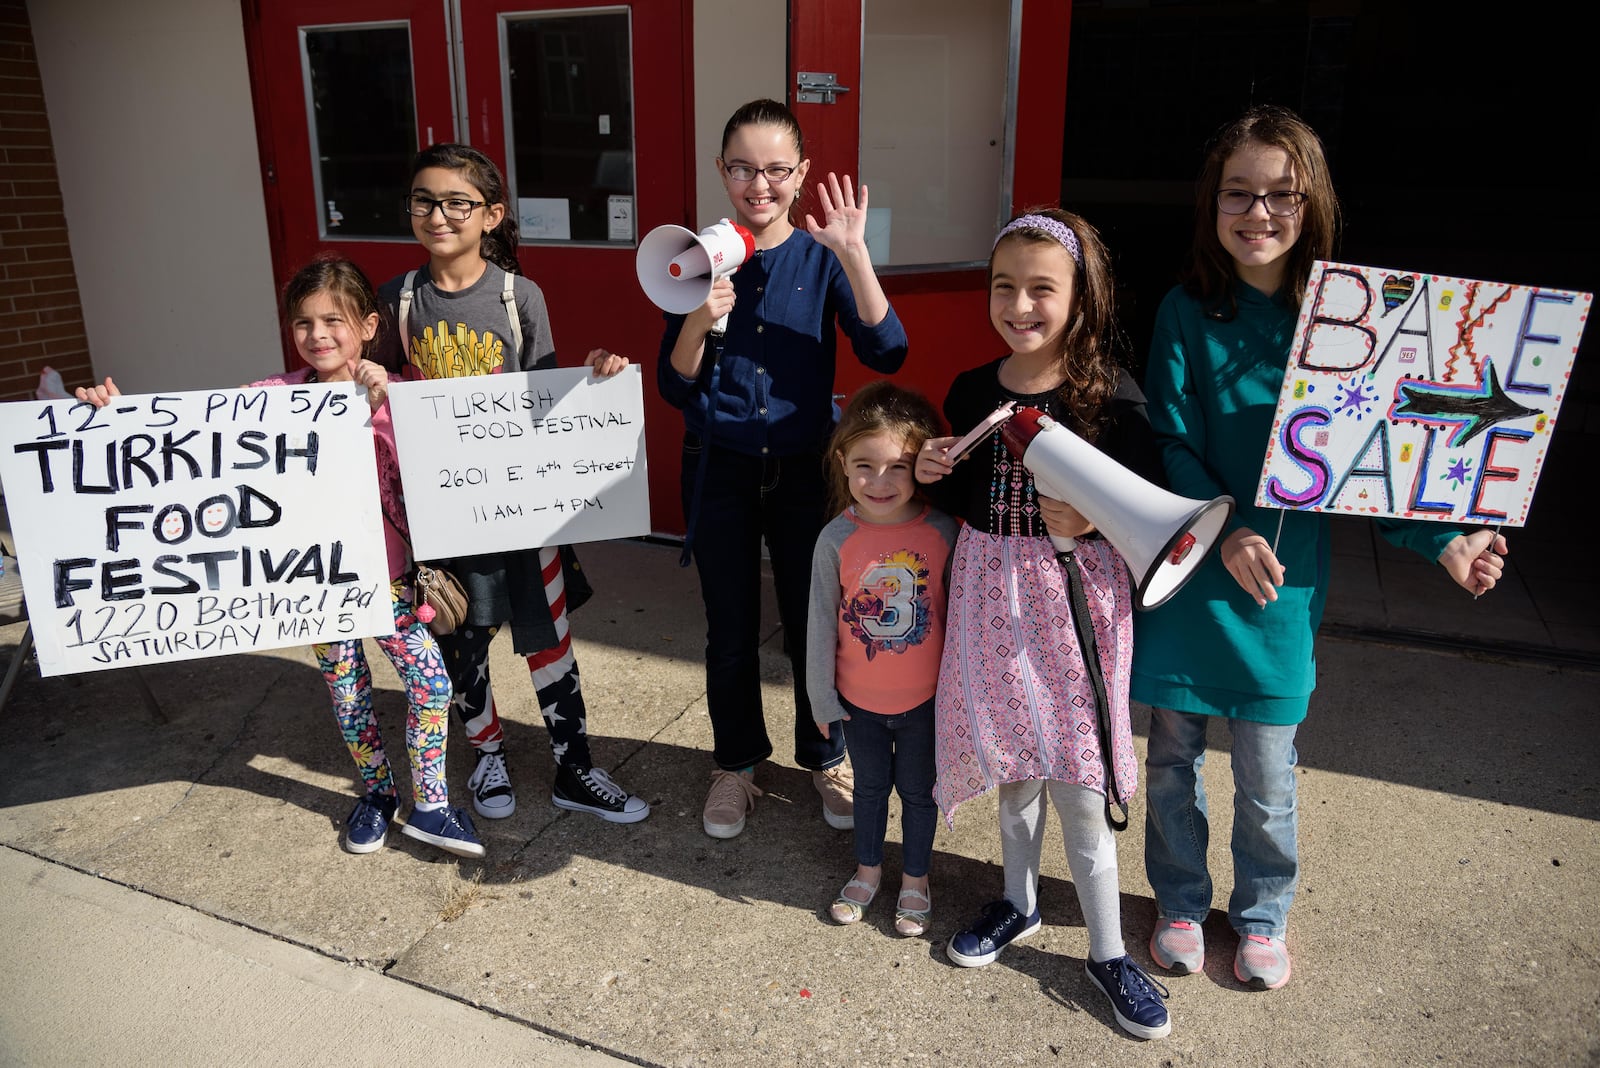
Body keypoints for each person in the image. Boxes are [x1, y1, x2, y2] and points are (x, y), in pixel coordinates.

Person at [1132, 104, 1509, 992]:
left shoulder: (1349, 322)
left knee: (1269, 779)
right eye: (1238, 194)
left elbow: (1374, 459)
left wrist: (1445, 542)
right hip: (1194, 575)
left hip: (1280, 596)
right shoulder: (1185, 311)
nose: (1258, 214)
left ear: (1313, 206)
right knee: (1172, 762)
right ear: (1210, 204)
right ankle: (1181, 902)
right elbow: (1170, 442)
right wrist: (1225, 527)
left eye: (1281, 196)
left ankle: (1262, 916)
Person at [75, 257, 486, 859]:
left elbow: (439, 471)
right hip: (310, 586)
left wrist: (381, 406)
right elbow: (187, 438)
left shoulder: (398, 395)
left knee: (429, 685)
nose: (317, 335)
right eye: (303, 323)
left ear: (368, 325)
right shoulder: (268, 400)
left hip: (389, 578)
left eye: (333, 320)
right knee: (348, 693)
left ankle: (431, 805)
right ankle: (377, 794)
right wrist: (109, 416)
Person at [914, 208, 1172, 1041]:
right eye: (1004, 287)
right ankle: (1018, 905)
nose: (1019, 304)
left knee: (1079, 786)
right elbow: (961, 497)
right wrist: (930, 467)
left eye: (1041, 290)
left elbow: (1147, 511)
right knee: (1015, 769)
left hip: (1073, 609)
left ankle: (1105, 952)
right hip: (990, 599)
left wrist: (1091, 520)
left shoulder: (1112, 401)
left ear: (1079, 299)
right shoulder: (969, 390)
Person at [656, 98, 909, 839]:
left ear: (800, 174)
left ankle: (823, 755)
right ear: (721, 171)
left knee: (815, 624)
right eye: (741, 168)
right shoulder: (697, 257)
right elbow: (676, 385)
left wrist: (855, 252)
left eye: (774, 169)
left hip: (805, 470)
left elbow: (887, 352)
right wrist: (701, 315)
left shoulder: (822, 258)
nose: (757, 184)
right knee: (729, 627)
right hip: (720, 466)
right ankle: (734, 764)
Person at [375, 143, 648, 825]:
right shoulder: (398, 300)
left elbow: (550, 396)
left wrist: (598, 378)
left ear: (491, 214)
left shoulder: (517, 296)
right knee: (461, 639)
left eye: (457, 202)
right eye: (424, 201)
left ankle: (574, 765)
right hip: (441, 516)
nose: (439, 215)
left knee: (548, 635)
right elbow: (380, 405)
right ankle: (487, 751)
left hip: (520, 510)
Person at [806, 381, 958, 938]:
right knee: (868, 791)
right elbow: (819, 625)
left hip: (926, 703)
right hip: (858, 705)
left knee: (919, 793)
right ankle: (868, 870)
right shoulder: (833, 540)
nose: (879, 481)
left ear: (924, 465)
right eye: (864, 464)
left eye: (898, 466)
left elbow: (959, 624)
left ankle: (915, 879)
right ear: (842, 461)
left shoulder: (946, 533)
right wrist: (821, 697)